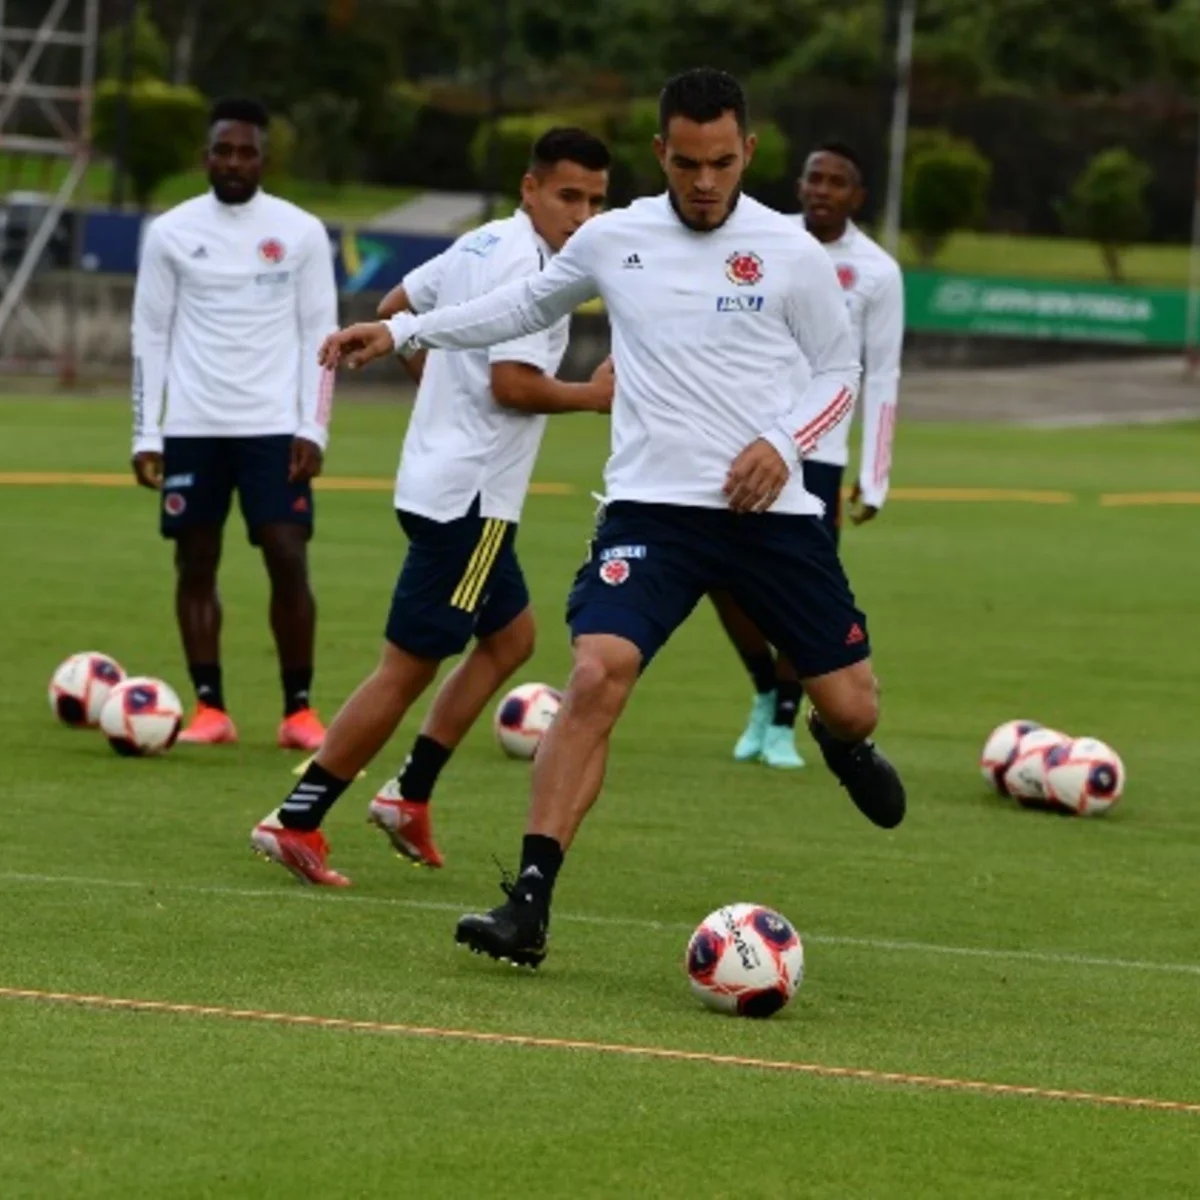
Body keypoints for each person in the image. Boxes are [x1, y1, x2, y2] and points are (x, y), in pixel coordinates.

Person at [320, 67, 906, 969]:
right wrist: (402, 332)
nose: (704, 182)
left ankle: (839, 741)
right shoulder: (616, 237)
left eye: (720, 162)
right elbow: (521, 305)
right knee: (596, 673)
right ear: (660, 154)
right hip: (652, 509)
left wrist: (784, 446)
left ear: (748, 152)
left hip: (769, 509)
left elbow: (839, 370)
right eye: (685, 163)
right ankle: (528, 905)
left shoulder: (790, 251)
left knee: (854, 706)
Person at [249, 128, 614, 887]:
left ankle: (409, 793)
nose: (582, 215)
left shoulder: (482, 243)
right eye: (569, 196)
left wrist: (441, 398)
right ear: (531, 188)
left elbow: (394, 306)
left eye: (596, 201)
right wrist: (592, 396)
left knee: (511, 639)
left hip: (433, 480)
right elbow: (513, 384)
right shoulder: (539, 272)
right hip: (472, 501)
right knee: (405, 668)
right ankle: (298, 817)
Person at [130, 98, 338, 751]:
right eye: (223, 150)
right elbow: (150, 334)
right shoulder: (169, 233)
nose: (234, 162)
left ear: (264, 159)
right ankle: (209, 708)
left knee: (286, 555)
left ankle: (299, 710)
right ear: (206, 157)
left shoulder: (300, 232)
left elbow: (321, 333)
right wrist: (147, 431)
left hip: (274, 427)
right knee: (195, 560)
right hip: (193, 425)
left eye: (246, 151)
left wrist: (315, 426)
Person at [712, 141, 904, 770]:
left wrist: (874, 479)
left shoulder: (876, 272)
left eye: (837, 182)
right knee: (723, 581)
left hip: (817, 455)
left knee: (800, 592)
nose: (822, 190)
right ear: (798, 185)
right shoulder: (763, 241)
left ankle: (784, 721)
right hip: (745, 439)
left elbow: (883, 377)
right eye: (814, 178)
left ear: (858, 196)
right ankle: (767, 690)